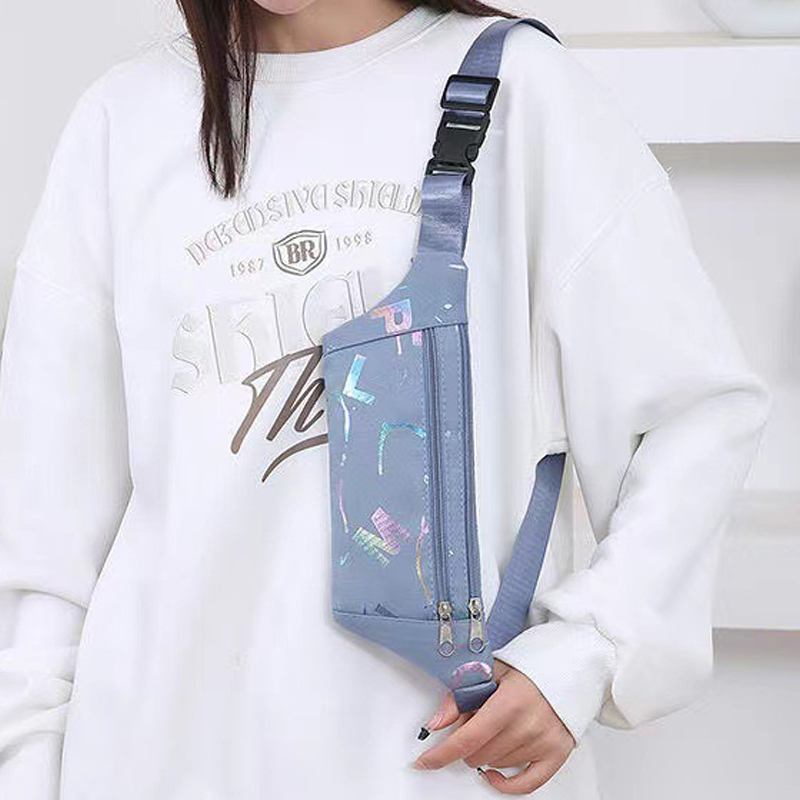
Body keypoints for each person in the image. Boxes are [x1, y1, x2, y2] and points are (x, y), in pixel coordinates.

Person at [0, 1, 772, 798]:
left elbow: (695, 412)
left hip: (433, 769)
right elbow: (44, 541)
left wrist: (588, 652)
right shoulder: (125, 119)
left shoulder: (522, 93)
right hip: (149, 762)